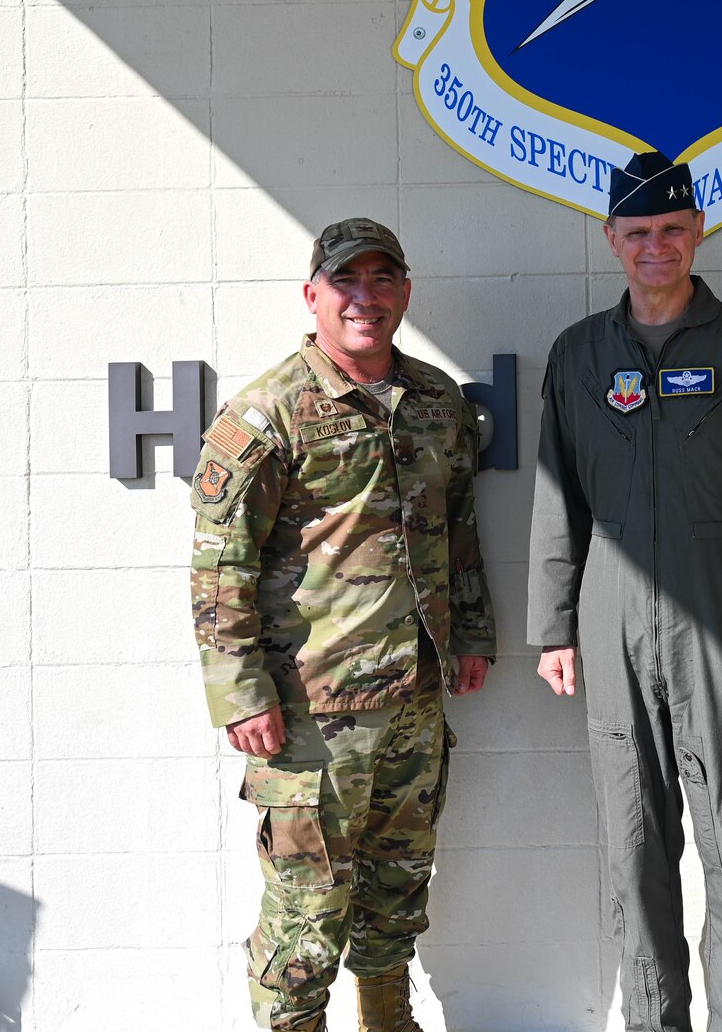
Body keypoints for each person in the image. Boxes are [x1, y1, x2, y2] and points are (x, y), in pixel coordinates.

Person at [527, 152, 722, 1032]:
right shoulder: (579, 353)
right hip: (612, 602)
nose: (655, 246)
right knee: (634, 848)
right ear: (611, 240)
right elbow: (558, 497)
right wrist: (554, 625)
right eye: (637, 232)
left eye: (671, 229)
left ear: (698, 229)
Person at [188, 217, 496, 1032]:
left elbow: (457, 525)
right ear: (313, 294)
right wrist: (242, 693)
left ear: (405, 289)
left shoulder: (436, 401)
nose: (366, 296)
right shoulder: (269, 413)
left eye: (383, 277)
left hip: (414, 703)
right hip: (311, 717)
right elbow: (221, 567)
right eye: (346, 280)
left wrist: (471, 635)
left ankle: (387, 1022)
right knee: (306, 915)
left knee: (396, 896)